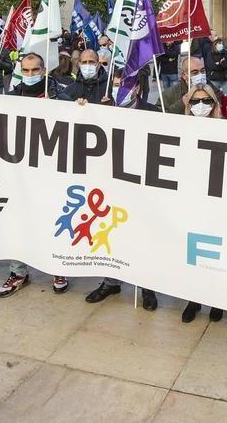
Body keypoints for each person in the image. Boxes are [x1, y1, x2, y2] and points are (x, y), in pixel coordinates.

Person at [0, 53, 74, 297]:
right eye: (26, 70)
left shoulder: (59, 95)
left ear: (44, 71)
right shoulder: (11, 97)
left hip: (51, 173)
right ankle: (18, 272)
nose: (31, 74)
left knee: (53, 220)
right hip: (19, 174)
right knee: (18, 222)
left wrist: (68, 107)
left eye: (35, 70)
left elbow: (76, 119)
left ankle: (57, 267)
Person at [80, 72, 160, 311]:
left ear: (136, 89)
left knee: (143, 236)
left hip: (143, 185)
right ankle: (111, 281)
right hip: (112, 184)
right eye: (115, 86)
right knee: (111, 233)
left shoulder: (153, 112)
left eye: (124, 86)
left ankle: (146, 286)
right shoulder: (103, 108)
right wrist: (84, 110)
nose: (119, 90)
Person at [176, 82, 227, 324]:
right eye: (195, 101)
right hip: (190, 200)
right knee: (192, 254)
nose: (200, 106)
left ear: (214, 104)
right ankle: (193, 299)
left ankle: (217, 300)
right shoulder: (181, 127)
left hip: (217, 202)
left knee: (215, 253)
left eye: (206, 101)